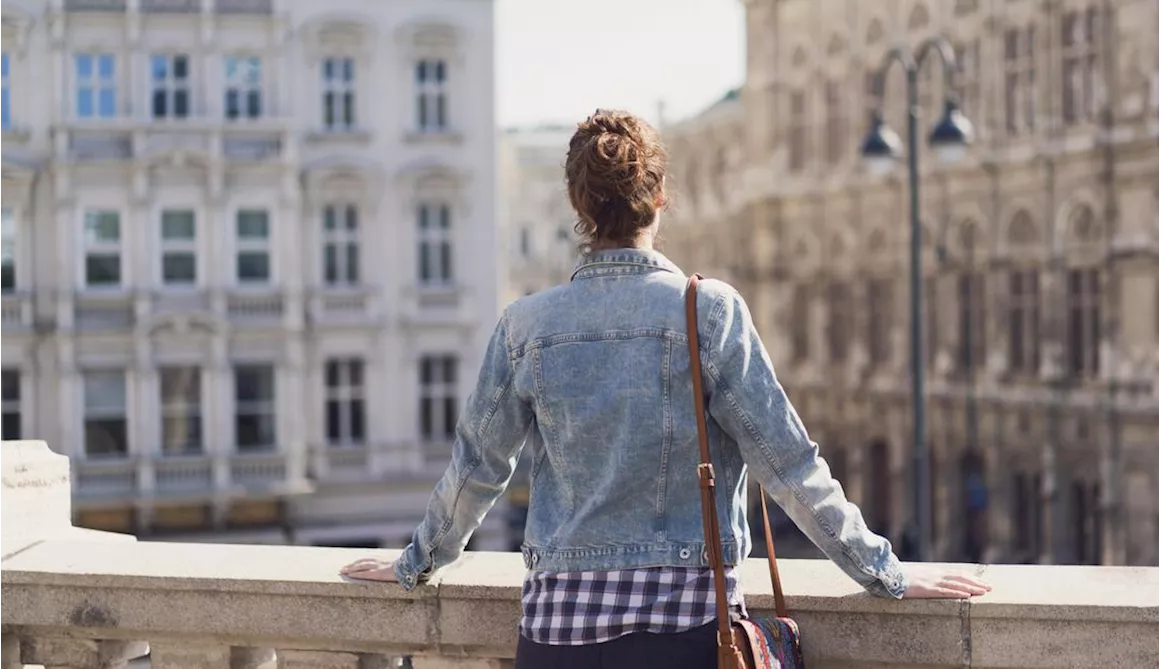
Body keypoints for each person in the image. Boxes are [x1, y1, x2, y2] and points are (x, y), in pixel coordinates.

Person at [340, 109, 991, 667]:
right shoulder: (707, 310)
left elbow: (477, 467)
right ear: (659, 198)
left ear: (579, 205)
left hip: (558, 637)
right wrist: (886, 570)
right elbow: (788, 463)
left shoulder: (525, 326)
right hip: (686, 633)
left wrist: (416, 562)